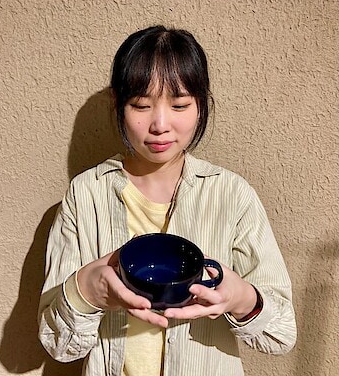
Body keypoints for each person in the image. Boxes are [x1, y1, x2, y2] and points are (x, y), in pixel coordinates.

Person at [38, 25, 296, 376]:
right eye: (141, 105)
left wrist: (241, 298)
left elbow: (281, 335)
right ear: (118, 105)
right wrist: (85, 291)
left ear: (201, 104)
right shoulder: (86, 194)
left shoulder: (231, 194)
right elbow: (57, 345)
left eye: (179, 105)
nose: (160, 124)